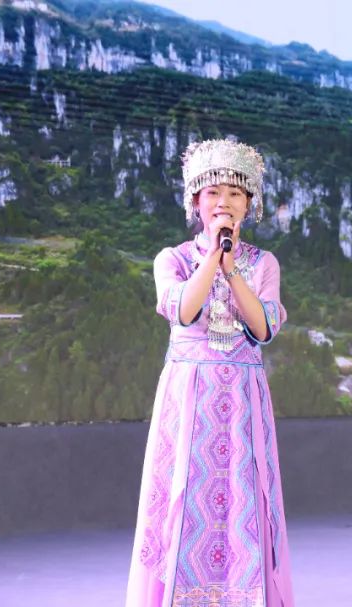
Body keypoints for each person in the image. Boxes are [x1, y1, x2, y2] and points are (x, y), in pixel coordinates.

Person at [126, 139, 295, 607]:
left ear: (249, 204)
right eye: (214, 192)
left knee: (245, 501)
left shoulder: (263, 263)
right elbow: (183, 311)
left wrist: (232, 268)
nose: (224, 202)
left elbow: (263, 329)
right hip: (189, 399)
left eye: (236, 193)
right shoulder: (173, 259)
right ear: (196, 202)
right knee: (183, 498)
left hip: (242, 398)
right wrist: (212, 260)